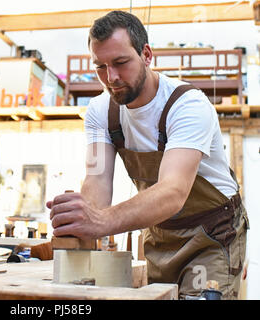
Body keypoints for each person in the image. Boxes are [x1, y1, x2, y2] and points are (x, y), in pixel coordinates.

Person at [47, 10, 249, 299]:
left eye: (120, 63)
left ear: (146, 54)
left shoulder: (187, 104)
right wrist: (81, 217)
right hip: (159, 235)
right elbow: (97, 181)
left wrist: (101, 221)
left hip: (213, 236)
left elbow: (172, 191)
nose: (111, 78)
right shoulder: (100, 111)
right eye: (100, 66)